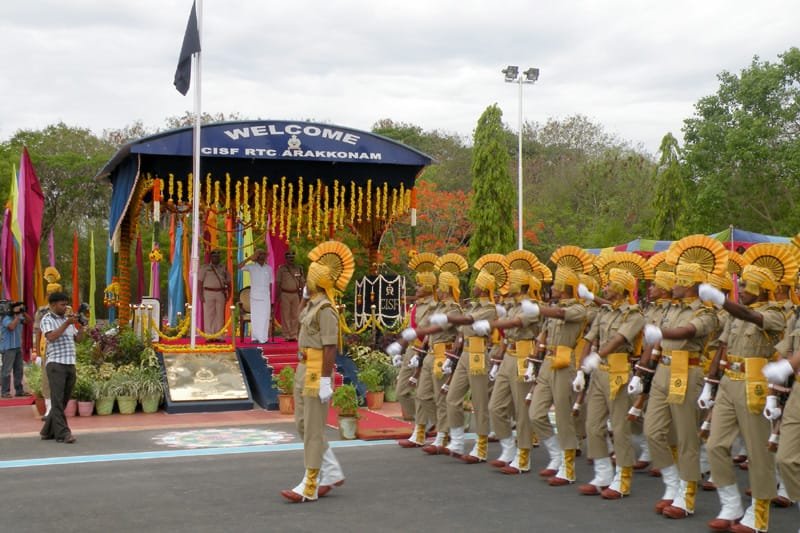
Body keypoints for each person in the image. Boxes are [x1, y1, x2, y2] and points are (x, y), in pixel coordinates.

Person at [642, 236, 727, 520]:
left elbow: (688, 332)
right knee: (652, 431)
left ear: (690, 284)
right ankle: (672, 483)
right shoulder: (669, 308)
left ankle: (687, 495)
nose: (672, 284)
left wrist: (661, 334)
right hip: (664, 370)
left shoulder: (706, 312)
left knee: (687, 438)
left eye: (678, 280)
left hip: (686, 370)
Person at [700, 262, 787, 533]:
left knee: (758, 452)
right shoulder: (734, 314)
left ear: (760, 289)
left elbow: (752, 316)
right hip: (729, 381)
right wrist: (711, 384)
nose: (741, 290)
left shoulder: (775, 314)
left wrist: (722, 300)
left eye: (746, 285)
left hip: (754, 384)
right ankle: (730, 505)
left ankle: (758, 515)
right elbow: (723, 348)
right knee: (714, 444)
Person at [281, 241, 354, 503]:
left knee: (312, 429)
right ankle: (331, 471)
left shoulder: (326, 311)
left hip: (315, 371)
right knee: (302, 424)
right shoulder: (312, 305)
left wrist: (325, 380)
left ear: (317, 282)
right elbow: (299, 318)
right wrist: (303, 297)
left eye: (309, 279)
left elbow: (330, 347)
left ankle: (310, 483)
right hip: (302, 367)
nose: (305, 282)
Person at [576, 261, 647, 499]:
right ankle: (603, 472)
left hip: (619, 372)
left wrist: (598, 355)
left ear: (622, 287)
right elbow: (590, 337)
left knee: (619, 428)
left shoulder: (635, 314)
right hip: (599, 372)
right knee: (592, 425)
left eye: (609, 284)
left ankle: (622, 478)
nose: (605, 287)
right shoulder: (604, 311)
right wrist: (581, 369)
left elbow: (619, 338)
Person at [39, 291, 85, 444]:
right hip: (56, 364)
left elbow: (78, 339)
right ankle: (63, 433)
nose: (65, 307)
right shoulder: (47, 319)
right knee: (57, 400)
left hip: (70, 363)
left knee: (63, 400)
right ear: (53, 305)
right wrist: (66, 324)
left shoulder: (68, 319)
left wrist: (82, 326)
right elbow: (51, 337)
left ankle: (47, 430)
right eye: (62, 304)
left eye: (66, 304)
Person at [239, 247, 273, 344]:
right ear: (256, 257)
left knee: (265, 317)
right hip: (255, 296)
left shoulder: (269, 268)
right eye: (259, 254)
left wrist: (270, 297)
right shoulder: (251, 267)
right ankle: (255, 338)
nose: (262, 256)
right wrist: (249, 258)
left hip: (266, 296)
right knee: (256, 317)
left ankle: (264, 338)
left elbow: (271, 283)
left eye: (263, 255)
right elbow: (239, 266)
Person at [1, 301, 33, 398]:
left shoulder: (19, 317)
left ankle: (19, 391)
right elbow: (11, 327)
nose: (19, 309)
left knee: (19, 370)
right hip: (8, 348)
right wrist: (17, 316)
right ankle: (5, 392)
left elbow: (29, 321)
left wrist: (23, 312)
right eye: (17, 308)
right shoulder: (6, 318)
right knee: (6, 370)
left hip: (18, 347)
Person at [199, 249, 231, 341]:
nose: (216, 258)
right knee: (209, 315)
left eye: (217, 256)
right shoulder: (205, 268)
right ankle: (209, 336)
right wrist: (200, 295)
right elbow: (199, 282)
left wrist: (229, 293)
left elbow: (229, 282)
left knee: (220, 316)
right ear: (211, 258)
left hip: (220, 293)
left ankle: (219, 336)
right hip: (208, 293)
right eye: (214, 256)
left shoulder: (223, 268)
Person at [276, 251, 305, 341]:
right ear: (286, 259)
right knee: (285, 315)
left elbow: (302, 281)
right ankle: (286, 335)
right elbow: (278, 283)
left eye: (292, 258)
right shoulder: (282, 269)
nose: (291, 259)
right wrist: (278, 295)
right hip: (285, 293)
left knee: (295, 315)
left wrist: (303, 294)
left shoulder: (299, 268)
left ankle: (294, 334)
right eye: (289, 258)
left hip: (296, 294)